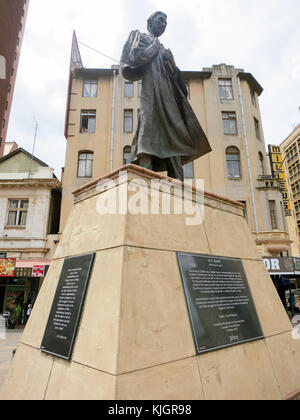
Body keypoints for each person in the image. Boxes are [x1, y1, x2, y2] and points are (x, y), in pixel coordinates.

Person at [121, 11, 211, 181]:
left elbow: (178, 82)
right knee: (147, 140)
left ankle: (178, 189)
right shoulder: (140, 37)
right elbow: (134, 58)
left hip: (169, 101)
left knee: (175, 143)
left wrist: (172, 62)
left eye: (165, 23)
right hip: (151, 97)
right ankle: (145, 185)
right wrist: (154, 47)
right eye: (160, 20)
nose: (163, 25)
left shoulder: (166, 51)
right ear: (149, 21)